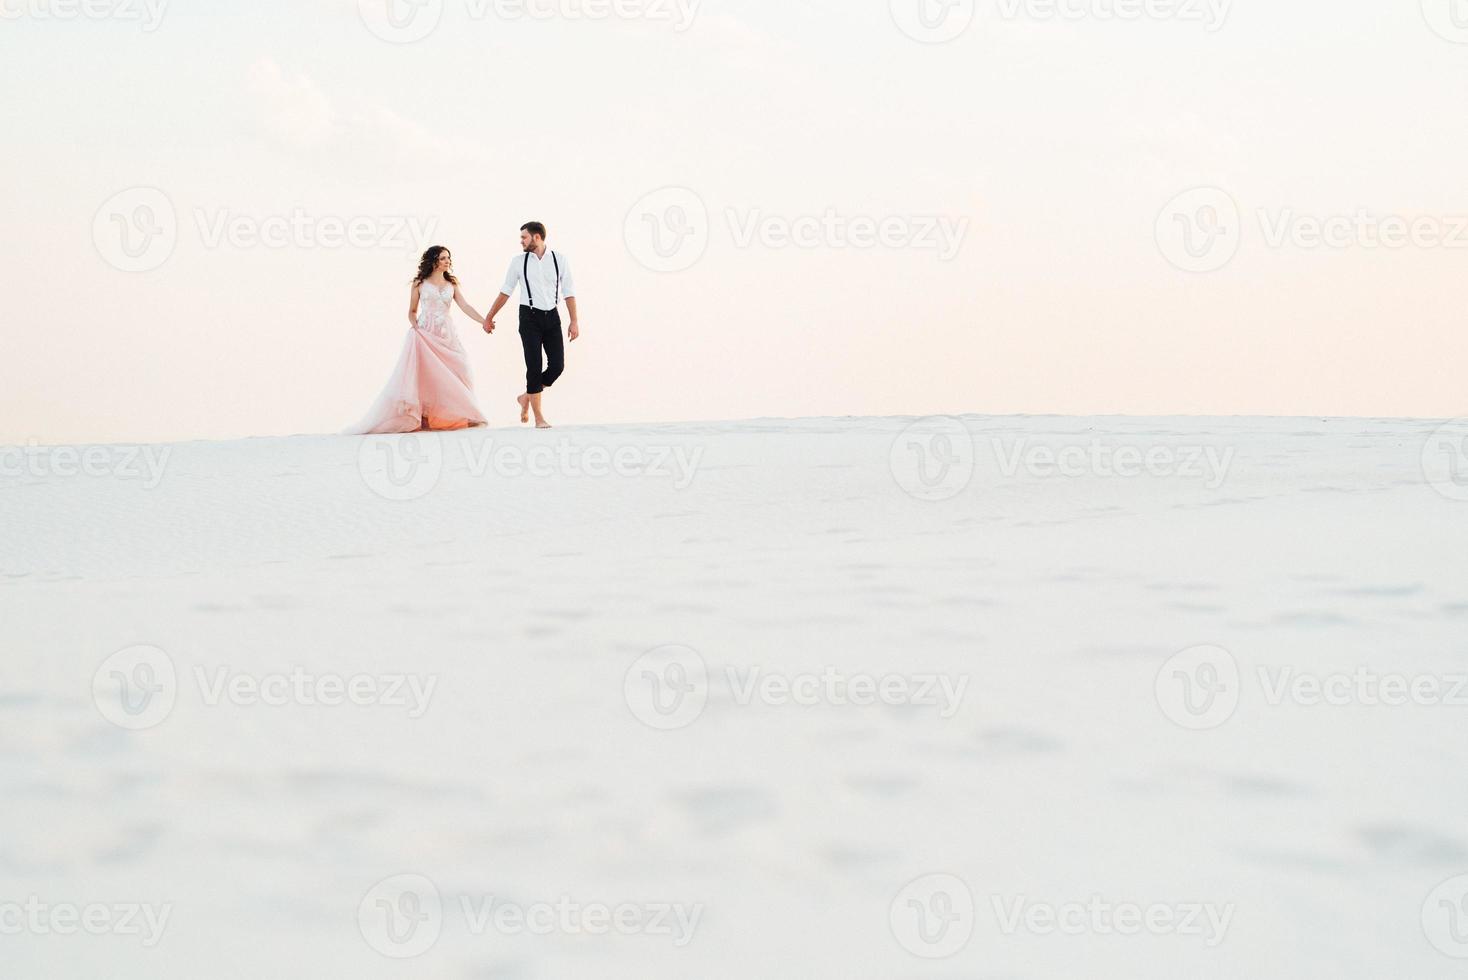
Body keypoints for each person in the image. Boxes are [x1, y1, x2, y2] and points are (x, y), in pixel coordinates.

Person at [348, 246, 489, 434]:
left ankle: (464, 414)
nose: (447, 261)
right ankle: (423, 417)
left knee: (460, 368)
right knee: (425, 374)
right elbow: (412, 311)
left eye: (448, 258)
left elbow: (465, 305)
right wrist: (416, 327)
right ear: (433, 261)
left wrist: (483, 321)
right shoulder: (419, 283)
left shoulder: (452, 283)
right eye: (443, 258)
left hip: (446, 334)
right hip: (426, 332)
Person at [484, 222, 580, 428]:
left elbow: (569, 292)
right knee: (534, 366)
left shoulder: (559, 259)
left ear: (537, 237)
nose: (521, 241)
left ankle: (527, 395)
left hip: (552, 317)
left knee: (557, 366)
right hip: (529, 318)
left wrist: (574, 321)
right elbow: (506, 291)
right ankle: (539, 418)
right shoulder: (518, 262)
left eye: (524, 238)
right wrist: (489, 316)